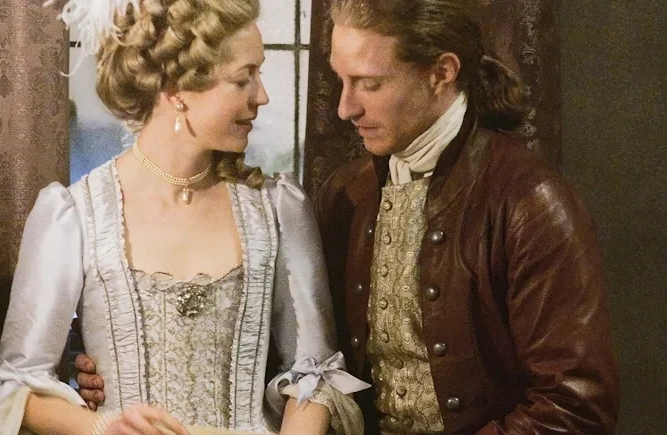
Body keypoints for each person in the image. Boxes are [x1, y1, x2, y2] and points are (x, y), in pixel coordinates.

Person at [77, 0, 620, 433]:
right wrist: (99, 376)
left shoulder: (528, 203)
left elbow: (575, 408)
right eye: (341, 80)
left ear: (442, 73)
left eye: (370, 83)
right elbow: (300, 358)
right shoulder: (348, 194)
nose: (345, 108)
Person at [0, 0, 368, 434]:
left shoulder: (278, 207)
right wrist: (104, 427)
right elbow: (17, 388)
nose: (261, 96)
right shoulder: (74, 214)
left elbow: (315, 374)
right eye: (243, 78)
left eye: (259, 73)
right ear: (177, 89)